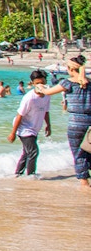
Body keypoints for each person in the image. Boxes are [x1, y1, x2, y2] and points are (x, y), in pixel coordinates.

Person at [33, 55, 91, 189]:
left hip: (76, 123)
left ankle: (84, 184)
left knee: (78, 153)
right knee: (89, 150)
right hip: (90, 122)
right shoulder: (89, 83)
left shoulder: (68, 83)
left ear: (70, 68)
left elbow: (48, 92)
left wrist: (40, 87)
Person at [8, 70, 52, 177]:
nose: (40, 85)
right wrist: (13, 133)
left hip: (34, 128)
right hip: (24, 128)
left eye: (42, 82)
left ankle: (18, 173)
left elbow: (46, 111)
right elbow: (19, 115)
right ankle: (31, 175)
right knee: (33, 152)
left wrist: (48, 125)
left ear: (46, 81)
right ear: (32, 84)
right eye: (37, 83)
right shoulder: (29, 98)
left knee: (26, 152)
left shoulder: (47, 95)